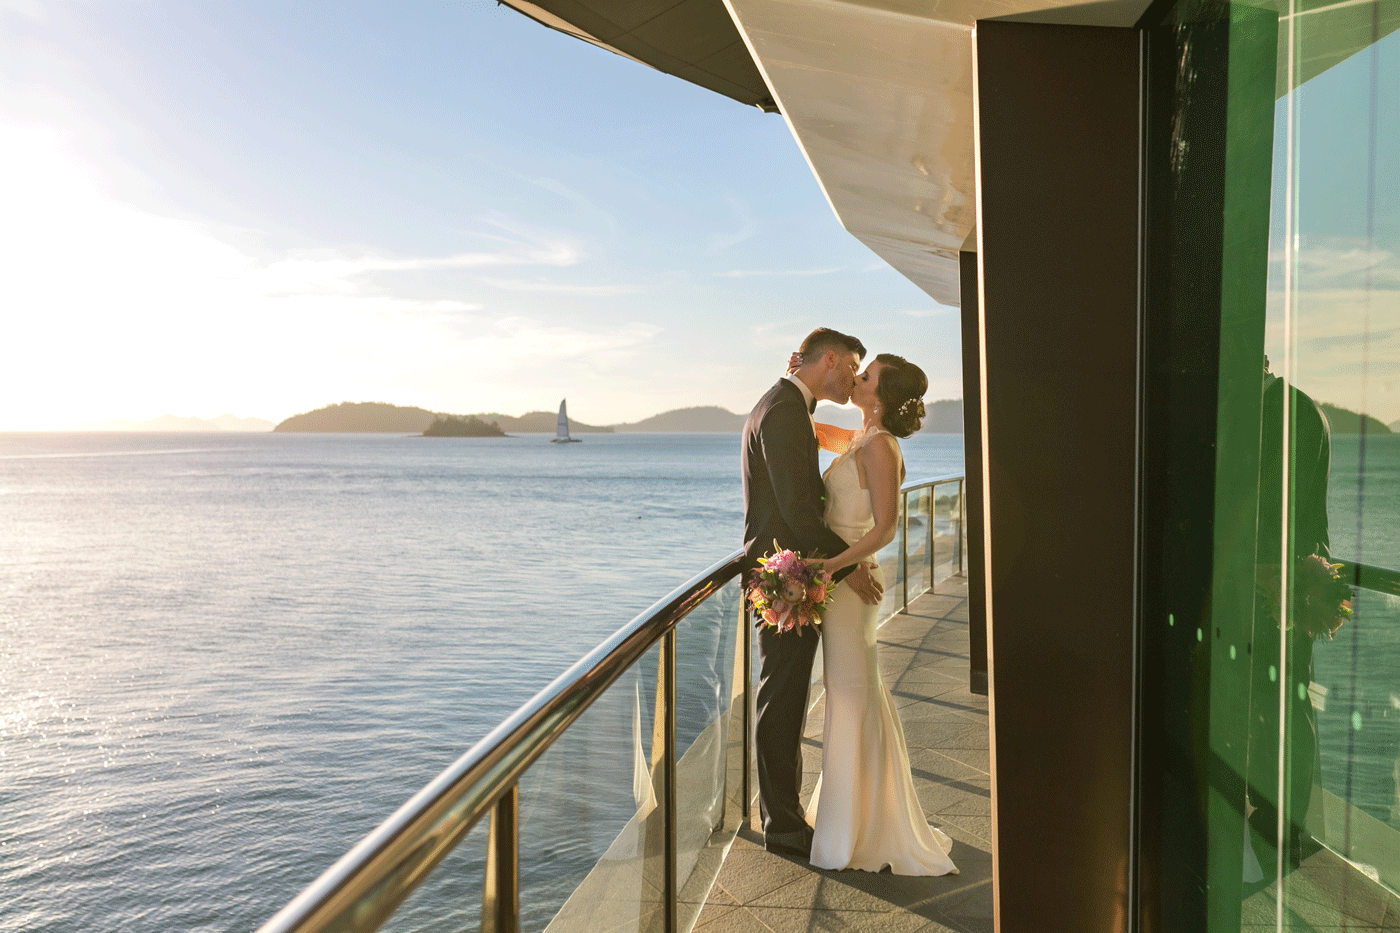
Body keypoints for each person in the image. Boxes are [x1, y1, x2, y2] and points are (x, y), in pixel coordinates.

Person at [802, 351, 959, 875]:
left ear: (882, 395)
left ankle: (863, 826)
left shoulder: (880, 446)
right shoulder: (860, 438)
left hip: (850, 583)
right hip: (842, 580)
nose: (856, 377)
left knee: (851, 693)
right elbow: (808, 427)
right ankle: (858, 815)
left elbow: (887, 527)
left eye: (865, 376)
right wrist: (798, 376)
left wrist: (836, 565)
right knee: (851, 692)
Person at [742, 327, 884, 859]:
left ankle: (783, 814)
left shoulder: (787, 406)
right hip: (783, 579)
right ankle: (781, 823)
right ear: (829, 361)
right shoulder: (783, 411)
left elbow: (812, 486)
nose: (852, 378)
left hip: (793, 575)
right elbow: (799, 511)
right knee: (782, 699)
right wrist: (850, 567)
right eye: (851, 367)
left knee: (786, 696)